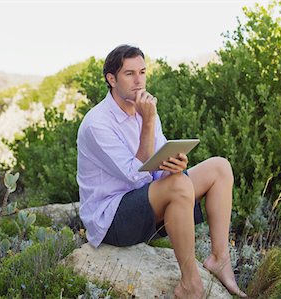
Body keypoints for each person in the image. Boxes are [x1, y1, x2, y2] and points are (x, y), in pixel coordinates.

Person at [76, 44, 247, 298]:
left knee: (219, 168)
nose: (139, 81)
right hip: (112, 220)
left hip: (147, 204)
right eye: (129, 74)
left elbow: (156, 174)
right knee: (178, 186)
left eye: (143, 72)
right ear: (111, 79)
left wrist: (173, 167)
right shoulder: (96, 123)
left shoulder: (146, 111)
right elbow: (137, 175)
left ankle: (219, 259)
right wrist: (147, 122)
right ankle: (190, 283)